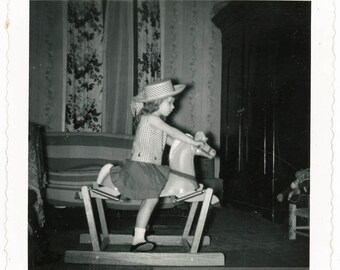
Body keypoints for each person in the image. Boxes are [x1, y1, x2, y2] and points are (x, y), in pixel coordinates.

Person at [99, 80, 203, 252]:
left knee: (151, 198)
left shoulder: (157, 122)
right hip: (142, 165)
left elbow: (173, 140)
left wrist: (192, 144)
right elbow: (173, 132)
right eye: (169, 102)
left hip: (150, 167)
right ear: (156, 103)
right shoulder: (150, 119)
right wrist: (191, 140)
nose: (173, 106)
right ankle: (138, 240)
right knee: (152, 198)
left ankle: (139, 230)